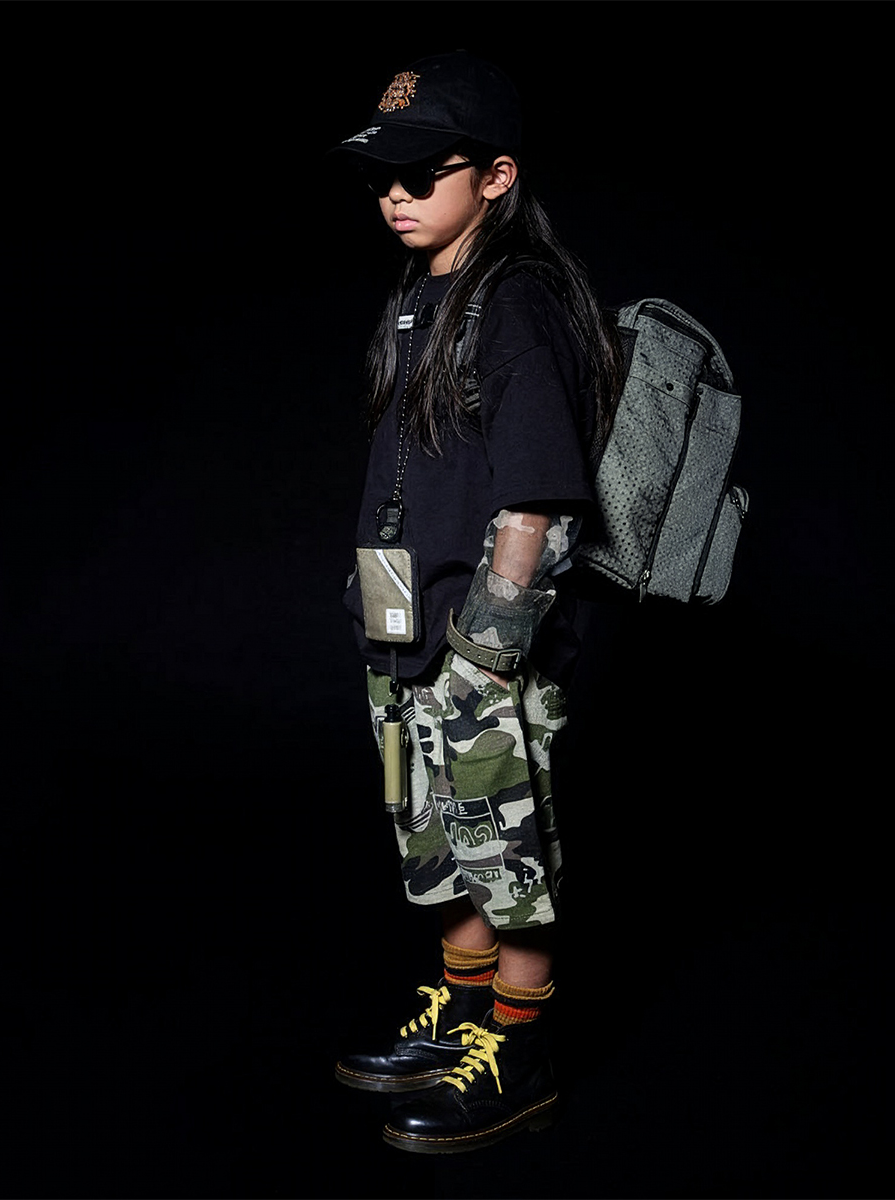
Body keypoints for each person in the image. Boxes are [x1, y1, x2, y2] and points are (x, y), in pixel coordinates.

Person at [328, 51, 622, 1154]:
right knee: (432, 839)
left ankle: (519, 1050)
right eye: (382, 176)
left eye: (422, 172)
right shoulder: (420, 294)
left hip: (479, 649)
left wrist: (486, 649)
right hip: (402, 627)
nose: (395, 195)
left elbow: (538, 495)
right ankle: (461, 1018)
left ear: (496, 177)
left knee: (508, 857)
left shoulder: (519, 297)